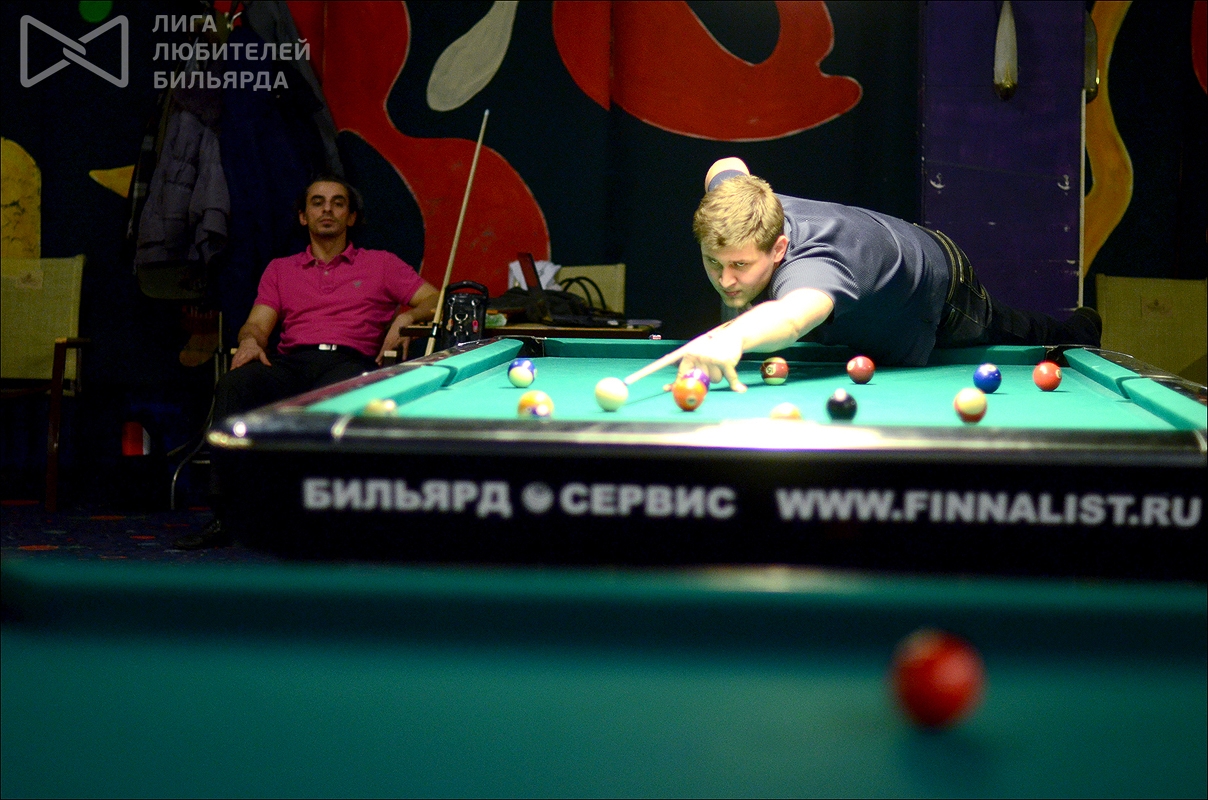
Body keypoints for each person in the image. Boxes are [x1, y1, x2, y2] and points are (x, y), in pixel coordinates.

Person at [677, 157, 1101, 391]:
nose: (725, 279)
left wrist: (733, 337)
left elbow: (791, 318)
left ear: (780, 248)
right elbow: (725, 165)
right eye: (713, 262)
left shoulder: (811, 267)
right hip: (887, 251)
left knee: (1014, 329)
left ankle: (1081, 331)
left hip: (941, 289)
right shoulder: (740, 207)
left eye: (740, 265)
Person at [175, 175, 439, 549]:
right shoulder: (280, 269)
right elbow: (257, 323)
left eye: (337, 202)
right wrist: (249, 340)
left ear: (351, 217)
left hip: (352, 362)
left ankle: (320, 520)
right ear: (303, 216)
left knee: (330, 397)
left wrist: (407, 316)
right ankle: (227, 516)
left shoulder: (381, 264)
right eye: (317, 202)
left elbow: (435, 298)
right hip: (293, 362)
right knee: (235, 383)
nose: (327, 209)